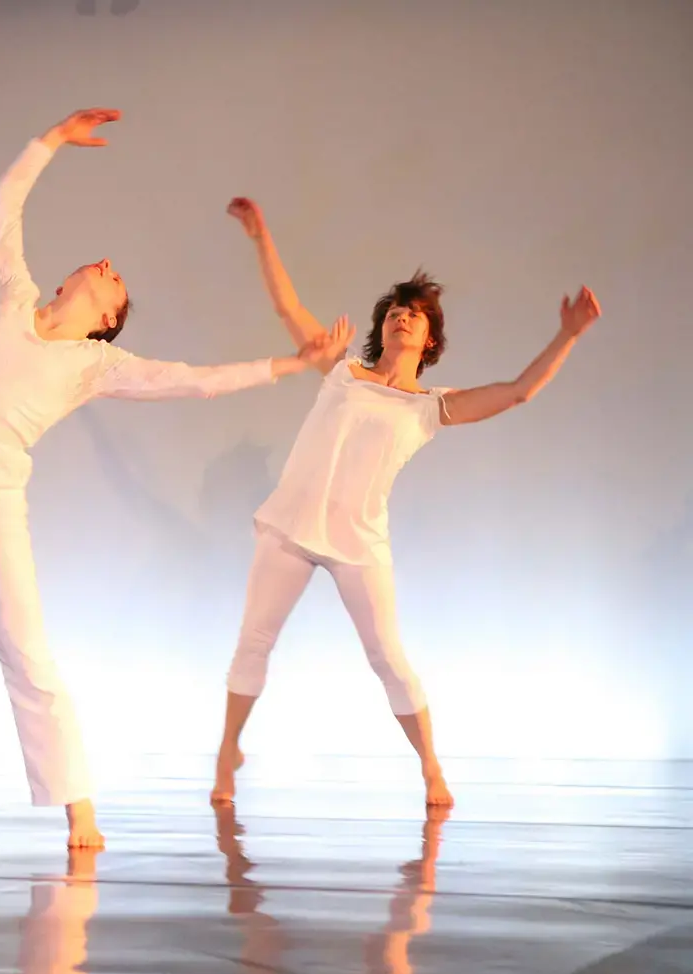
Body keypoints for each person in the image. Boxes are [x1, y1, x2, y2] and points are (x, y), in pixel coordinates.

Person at [0, 108, 347, 848]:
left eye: (117, 282)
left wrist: (290, 365)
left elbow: (193, 381)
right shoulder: (9, 297)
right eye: (105, 266)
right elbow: (1, 207)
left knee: (24, 653)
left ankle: (78, 804)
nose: (107, 266)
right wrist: (50, 141)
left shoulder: (97, 365)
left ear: (108, 318)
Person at [213, 196, 603, 807]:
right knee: (253, 640)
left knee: (388, 659)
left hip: (357, 540)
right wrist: (262, 237)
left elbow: (519, 392)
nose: (402, 317)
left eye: (415, 316)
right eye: (396, 310)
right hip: (290, 524)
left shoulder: (431, 406)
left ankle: (431, 768)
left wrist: (568, 334)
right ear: (383, 326)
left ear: (430, 340)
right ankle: (226, 759)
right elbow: (288, 308)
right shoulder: (342, 372)